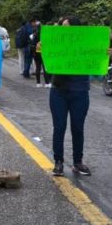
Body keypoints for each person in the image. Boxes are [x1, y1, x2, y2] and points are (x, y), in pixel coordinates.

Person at [46, 16, 93, 177]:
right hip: (59, 91)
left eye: (66, 26)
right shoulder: (56, 43)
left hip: (80, 91)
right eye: (62, 26)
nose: (63, 28)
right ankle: (58, 161)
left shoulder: (87, 45)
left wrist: (105, 54)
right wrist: (41, 48)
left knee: (78, 128)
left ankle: (77, 162)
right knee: (59, 127)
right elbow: (47, 62)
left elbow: (98, 72)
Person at [30, 24, 50, 88]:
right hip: (43, 53)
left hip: (36, 54)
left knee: (38, 68)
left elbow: (32, 44)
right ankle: (47, 83)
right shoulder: (45, 35)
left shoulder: (34, 35)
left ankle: (38, 83)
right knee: (45, 68)